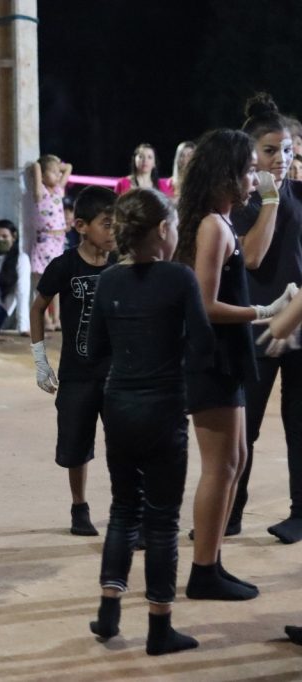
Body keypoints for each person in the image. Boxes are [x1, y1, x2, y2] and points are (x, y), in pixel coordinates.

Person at [86, 188, 212, 656]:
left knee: (123, 509)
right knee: (161, 524)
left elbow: (93, 350)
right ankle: (160, 628)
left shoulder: (108, 283)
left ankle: (109, 609)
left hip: (119, 407)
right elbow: (201, 348)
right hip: (163, 410)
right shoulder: (179, 279)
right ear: (162, 230)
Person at [174, 128, 290, 600]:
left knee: (235, 461)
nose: (254, 177)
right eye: (247, 170)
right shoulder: (211, 226)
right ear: (225, 174)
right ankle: (203, 570)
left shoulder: (220, 222)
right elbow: (204, 303)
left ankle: (213, 561)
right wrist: (265, 312)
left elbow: (254, 256)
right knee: (219, 467)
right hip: (211, 357)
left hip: (226, 355)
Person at [229, 93, 302, 544]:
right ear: (250, 151)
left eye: (288, 149)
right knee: (244, 424)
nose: (281, 158)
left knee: (300, 423)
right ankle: (231, 510)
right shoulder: (240, 201)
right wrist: (271, 198)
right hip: (256, 324)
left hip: (299, 322)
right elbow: (253, 257)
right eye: (271, 150)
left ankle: (300, 513)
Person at [29, 185, 117, 537]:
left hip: (118, 374)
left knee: (123, 443)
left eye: (118, 224)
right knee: (76, 445)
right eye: (107, 224)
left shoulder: (124, 263)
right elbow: (37, 308)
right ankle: (79, 507)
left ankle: (127, 506)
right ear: (81, 226)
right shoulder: (63, 266)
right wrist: (40, 360)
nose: (114, 232)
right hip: (77, 374)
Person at [28, 154, 73, 331]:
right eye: (53, 172)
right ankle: (45, 319)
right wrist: (41, 166)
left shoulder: (58, 191)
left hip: (58, 240)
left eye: (57, 172)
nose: (58, 175)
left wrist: (57, 166)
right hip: (45, 241)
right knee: (43, 282)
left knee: (58, 281)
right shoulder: (41, 192)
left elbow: (68, 167)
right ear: (43, 175)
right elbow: (36, 167)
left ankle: (57, 318)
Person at [0, 219, 31, 335]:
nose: (0, 240)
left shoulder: (21, 259)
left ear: (14, 237)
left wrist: (23, 327)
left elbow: (22, 292)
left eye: (4, 236)